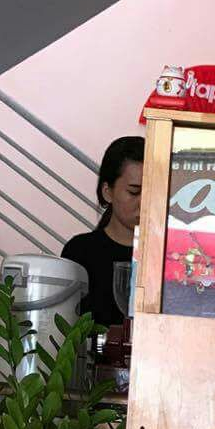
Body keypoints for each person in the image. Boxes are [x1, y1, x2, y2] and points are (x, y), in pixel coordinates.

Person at [61, 134, 145, 327]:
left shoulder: (166, 256)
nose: (144, 202)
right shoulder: (80, 251)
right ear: (107, 192)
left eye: (152, 191)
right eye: (134, 192)